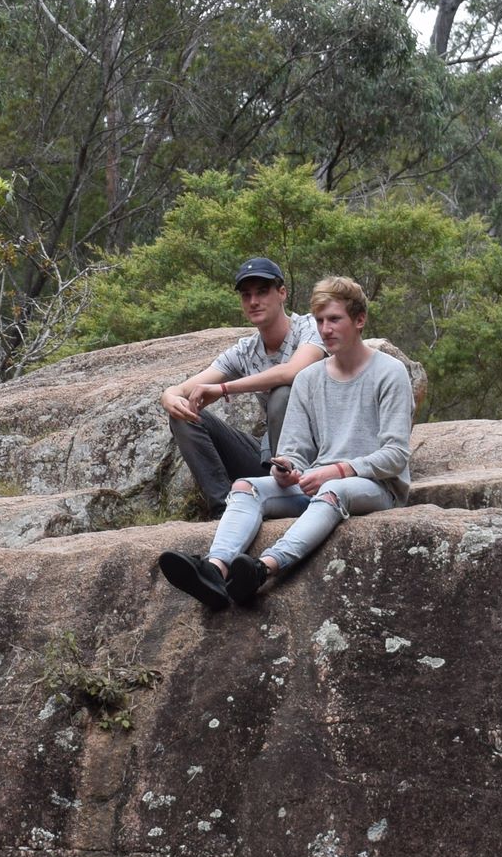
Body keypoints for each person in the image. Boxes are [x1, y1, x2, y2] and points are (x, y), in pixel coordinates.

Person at [158, 275, 414, 611]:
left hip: (375, 486)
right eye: (320, 321)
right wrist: (287, 468)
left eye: (335, 319)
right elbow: (295, 449)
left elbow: (395, 455)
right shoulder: (309, 378)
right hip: (318, 481)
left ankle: (264, 568)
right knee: (246, 486)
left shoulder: (390, 373)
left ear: (359, 320)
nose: (326, 330)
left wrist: (337, 470)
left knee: (332, 489)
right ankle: (215, 570)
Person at [157, 257, 325, 511]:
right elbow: (183, 389)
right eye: (246, 295)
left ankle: (295, 493)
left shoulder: (310, 327)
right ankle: (225, 509)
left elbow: (292, 371)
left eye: (262, 292)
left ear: (282, 293)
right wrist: (169, 396)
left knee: (282, 394)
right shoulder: (245, 350)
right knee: (184, 416)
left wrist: (225, 388)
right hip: (271, 460)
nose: (254, 301)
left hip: (320, 457)